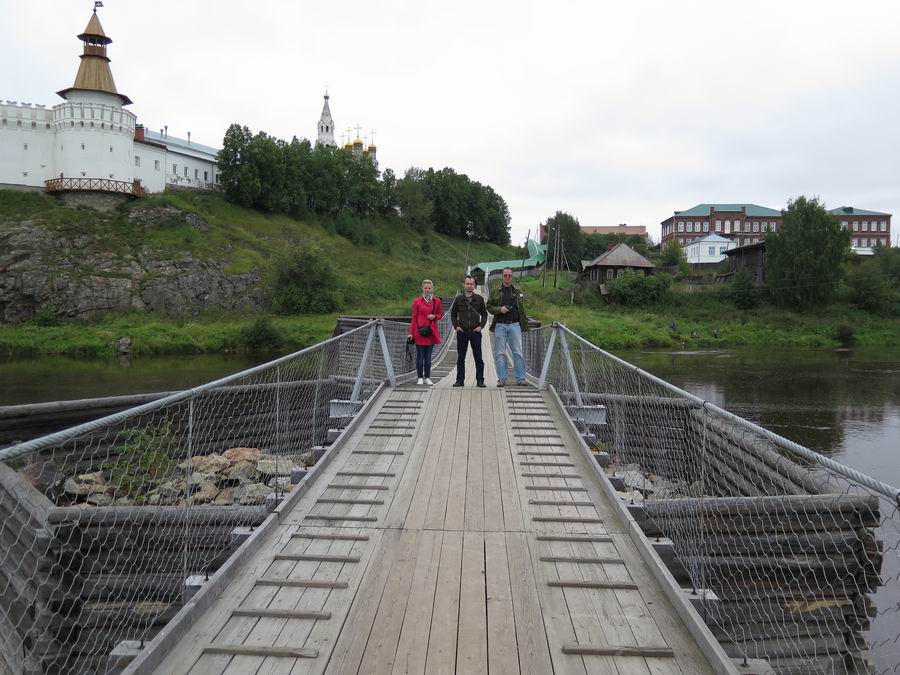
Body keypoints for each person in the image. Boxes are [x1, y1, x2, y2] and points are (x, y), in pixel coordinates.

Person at [487, 267, 530, 386]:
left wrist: (524, 324)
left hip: (515, 325)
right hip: (500, 325)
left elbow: (522, 309)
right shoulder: (496, 291)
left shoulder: (517, 291)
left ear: (512, 276)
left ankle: (521, 379)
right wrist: (500, 309)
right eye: (505, 275)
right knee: (500, 353)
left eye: (509, 275)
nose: (507, 277)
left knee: (518, 352)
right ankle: (502, 379)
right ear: (502, 276)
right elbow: (489, 306)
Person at [450, 275, 488, 388]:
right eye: (467, 283)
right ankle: (460, 380)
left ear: (474, 285)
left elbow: (485, 314)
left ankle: (480, 380)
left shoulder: (479, 299)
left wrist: (481, 326)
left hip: (475, 332)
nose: (469, 286)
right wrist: (456, 326)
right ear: (464, 285)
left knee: (478, 358)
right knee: (461, 358)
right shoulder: (458, 299)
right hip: (462, 332)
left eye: (471, 284)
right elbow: (453, 314)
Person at [409, 279, 443, 386]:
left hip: (430, 331)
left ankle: (427, 377)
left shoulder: (436, 301)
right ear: (422, 288)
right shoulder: (417, 301)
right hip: (419, 331)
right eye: (425, 288)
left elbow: (440, 315)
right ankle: (419, 377)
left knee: (428, 357)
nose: (427, 290)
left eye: (429, 288)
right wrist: (411, 333)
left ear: (432, 289)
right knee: (420, 356)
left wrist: (434, 316)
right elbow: (414, 318)